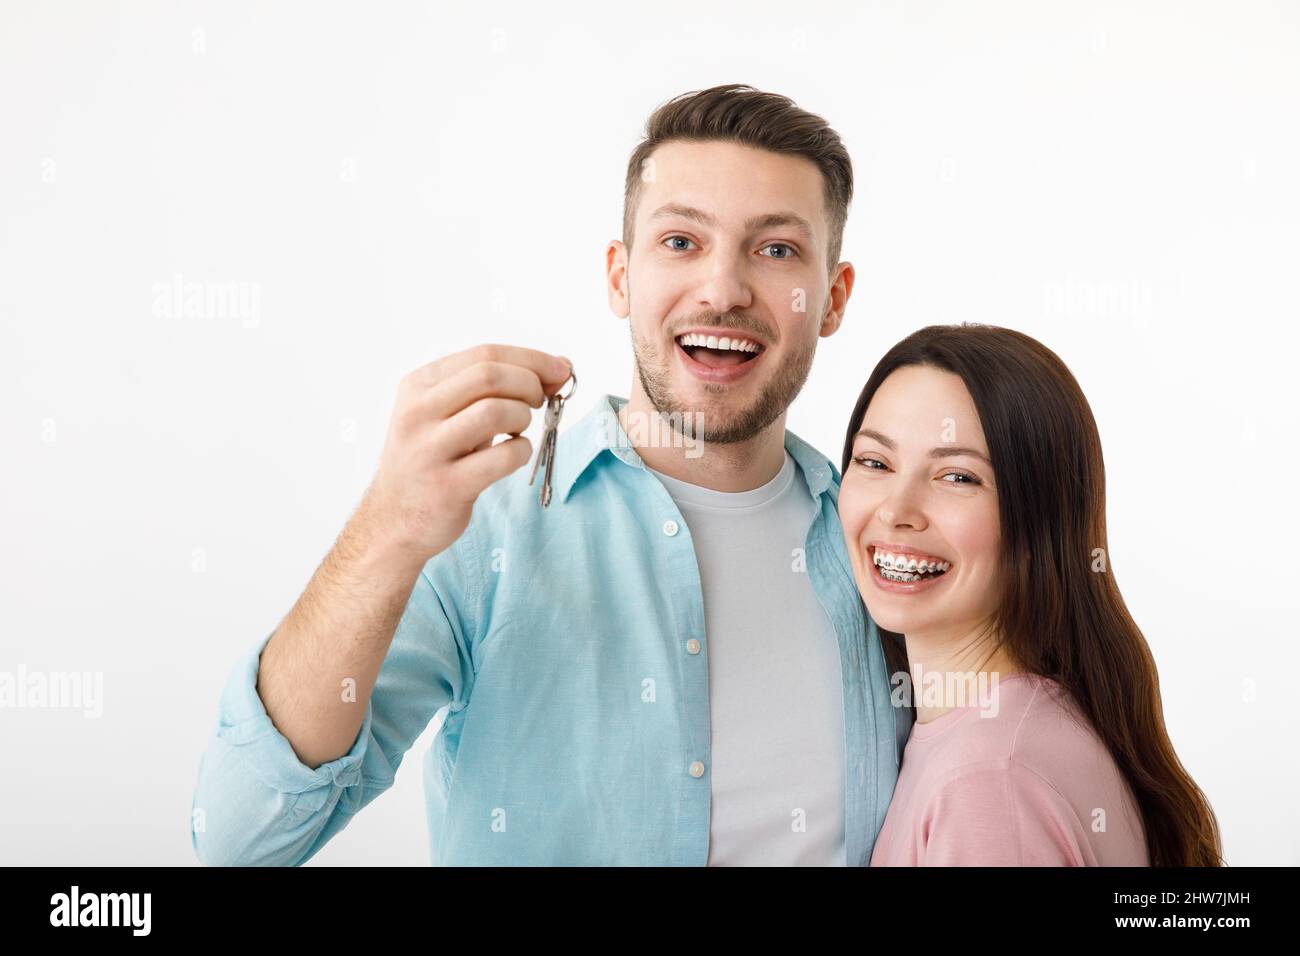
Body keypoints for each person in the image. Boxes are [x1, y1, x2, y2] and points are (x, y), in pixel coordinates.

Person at [190, 83, 905, 866]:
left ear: (831, 299)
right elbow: (241, 839)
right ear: (620, 278)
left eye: (776, 250)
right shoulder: (480, 526)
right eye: (680, 242)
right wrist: (385, 532)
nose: (723, 290)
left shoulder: (880, 547)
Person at [837, 323, 1223, 865]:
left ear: (1038, 518)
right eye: (874, 463)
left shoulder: (988, 779)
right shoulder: (1005, 733)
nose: (896, 511)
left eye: (957, 477)